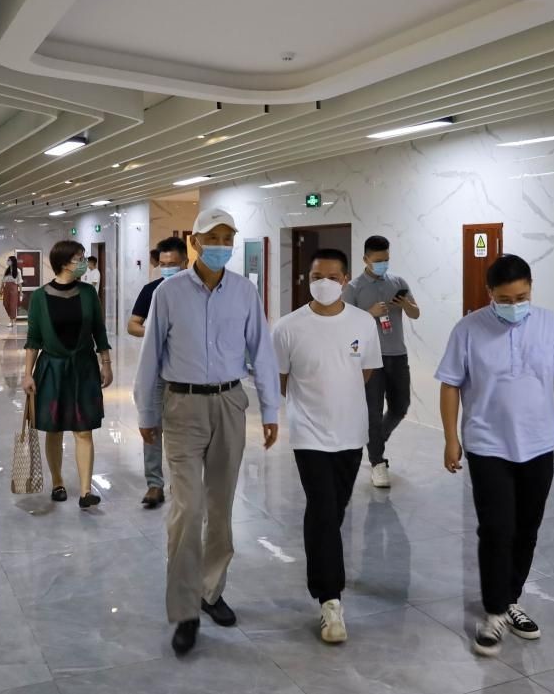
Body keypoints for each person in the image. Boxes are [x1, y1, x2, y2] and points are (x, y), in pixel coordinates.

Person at [435, 253, 554, 658]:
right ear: (490, 293)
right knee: (496, 529)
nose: (515, 305)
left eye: (522, 297)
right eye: (505, 299)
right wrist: (450, 438)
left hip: (538, 445)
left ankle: (511, 598)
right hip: (487, 445)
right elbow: (450, 384)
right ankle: (494, 612)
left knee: (526, 529)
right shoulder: (468, 330)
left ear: (531, 289)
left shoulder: (552, 326)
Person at [134, 208, 280, 657]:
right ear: (195, 242)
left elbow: (262, 349)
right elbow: (150, 354)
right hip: (182, 405)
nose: (221, 245)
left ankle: (210, 591)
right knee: (187, 508)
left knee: (220, 508)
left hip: (230, 402)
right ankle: (184, 610)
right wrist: (146, 412)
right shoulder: (169, 292)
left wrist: (271, 408)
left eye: (228, 238)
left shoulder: (245, 291)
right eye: (213, 237)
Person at [272, 247, 381, 644]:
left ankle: (323, 568)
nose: (324, 283)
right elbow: (281, 380)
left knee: (332, 510)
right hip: (309, 434)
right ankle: (330, 599)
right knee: (322, 507)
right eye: (318, 276)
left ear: (346, 280)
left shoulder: (363, 323)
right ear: (308, 278)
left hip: (351, 432)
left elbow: (364, 372)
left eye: (333, 277)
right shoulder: (287, 327)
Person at [22, 240, 114, 508]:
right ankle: (57, 482)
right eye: (79, 258)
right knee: (54, 430)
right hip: (52, 368)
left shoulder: (88, 293)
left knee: (84, 429)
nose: (84, 262)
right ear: (64, 263)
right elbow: (33, 339)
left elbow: (99, 330)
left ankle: (86, 491)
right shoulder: (39, 297)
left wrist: (106, 362)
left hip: (83, 367)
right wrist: (27, 374)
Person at [343, 235, 420, 487]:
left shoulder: (398, 282)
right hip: (369, 359)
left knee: (400, 406)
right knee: (373, 413)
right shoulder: (354, 288)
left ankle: (376, 440)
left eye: (386, 259)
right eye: (378, 261)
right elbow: (344, 325)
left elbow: (416, 313)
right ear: (365, 259)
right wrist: (370, 314)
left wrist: (406, 304)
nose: (383, 264)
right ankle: (377, 462)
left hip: (397, 354)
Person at [126, 236, 188, 509]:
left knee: (183, 430)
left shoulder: (196, 292)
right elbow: (132, 325)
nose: (167, 268)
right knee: (151, 426)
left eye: (172, 263)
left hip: (186, 374)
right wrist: (155, 334)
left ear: (185, 262)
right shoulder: (151, 290)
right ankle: (154, 484)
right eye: (163, 264)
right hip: (156, 371)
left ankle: (182, 482)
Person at [1, 256, 22, 328]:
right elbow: (3, 280)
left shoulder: (18, 271)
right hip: (6, 287)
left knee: (12, 305)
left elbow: (19, 282)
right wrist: (1, 289)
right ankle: (12, 317)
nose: (8, 261)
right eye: (8, 260)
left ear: (13, 261)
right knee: (5, 303)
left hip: (14, 287)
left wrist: (21, 291)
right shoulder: (6, 270)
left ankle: (11, 320)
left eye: (9, 260)